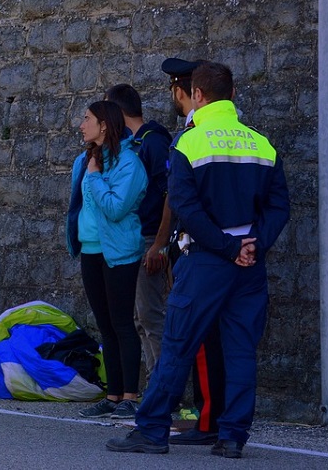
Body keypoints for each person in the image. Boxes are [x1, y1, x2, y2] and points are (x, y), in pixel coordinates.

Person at [107, 62, 290, 457]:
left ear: (199, 95)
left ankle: (152, 430)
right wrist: (253, 244)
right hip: (249, 265)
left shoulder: (188, 143)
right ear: (234, 95)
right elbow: (279, 207)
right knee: (241, 349)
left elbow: (186, 208)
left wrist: (226, 247)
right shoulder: (262, 143)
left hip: (207, 260)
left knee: (177, 345)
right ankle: (232, 437)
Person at [66, 100, 148, 420]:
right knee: (105, 326)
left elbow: (115, 208)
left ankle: (130, 396)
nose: (81, 124)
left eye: (86, 119)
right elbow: (78, 207)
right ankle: (112, 396)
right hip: (90, 251)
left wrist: (96, 177)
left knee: (122, 324)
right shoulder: (83, 161)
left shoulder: (129, 163)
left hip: (119, 252)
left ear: (104, 126)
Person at [160, 57, 227, 446]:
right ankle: (214, 416)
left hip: (201, 248)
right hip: (226, 247)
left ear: (184, 91)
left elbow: (181, 200)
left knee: (200, 339)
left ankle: (206, 420)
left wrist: (167, 245)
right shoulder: (226, 132)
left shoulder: (192, 136)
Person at [104, 84, 173, 385]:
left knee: (150, 315)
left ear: (119, 113)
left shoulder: (153, 144)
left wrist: (159, 244)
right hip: (132, 241)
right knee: (137, 318)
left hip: (148, 240)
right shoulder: (130, 145)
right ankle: (153, 385)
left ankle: (163, 389)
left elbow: (172, 195)